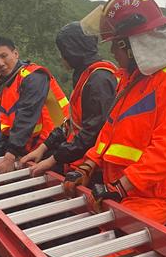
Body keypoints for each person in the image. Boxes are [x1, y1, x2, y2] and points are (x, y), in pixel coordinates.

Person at [64, 0, 166, 225]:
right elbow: (108, 133)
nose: (112, 54)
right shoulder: (134, 80)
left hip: (153, 196)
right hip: (125, 189)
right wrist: (86, 167)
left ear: (131, 46)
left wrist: (120, 187)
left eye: (115, 46)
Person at [19, 22, 117, 176]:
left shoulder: (99, 80)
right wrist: (43, 147)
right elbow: (71, 123)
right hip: (77, 156)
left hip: (93, 168)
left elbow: (92, 133)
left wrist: (53, 159)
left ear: (72, 51)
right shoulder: (85, 74)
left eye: (63, 51)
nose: (61, 56)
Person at [0, 37, 69, 174]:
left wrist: (10, 155)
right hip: (33, 151)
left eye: (4, 56)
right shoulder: (7, 85)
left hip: (55, 146)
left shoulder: (33, 76)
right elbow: (1, 122)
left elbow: (26, 116)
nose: (1, 63)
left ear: (15, 54)